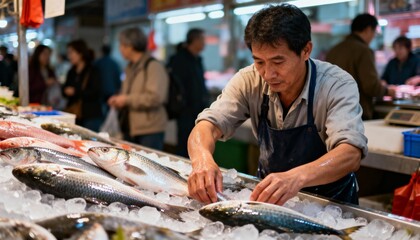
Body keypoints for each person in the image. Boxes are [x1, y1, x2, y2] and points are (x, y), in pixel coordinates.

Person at [187, 4, 367, 206]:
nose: (268, 74)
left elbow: (351, 153)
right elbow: (207, 125)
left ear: (306, 50)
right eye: (259, 62)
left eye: (278, 61)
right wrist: (202, 160)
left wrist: (296, 178)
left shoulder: (337, 84)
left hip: (332, 203)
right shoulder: (249, 80)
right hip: (271, 199)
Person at [108, 27, 169, 150]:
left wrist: (126, 100)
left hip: (149, 130)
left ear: (130, 46)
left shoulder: (153, 66)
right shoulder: (130, 67)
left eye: (122, 45)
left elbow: (155, 98)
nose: (120, 49)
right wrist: (119, 99)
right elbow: (130, 92)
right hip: (131, 127)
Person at [326, 14, 395, 120]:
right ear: (368, 29)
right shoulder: (363, 50)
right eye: (374, 33)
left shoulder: (334, 50)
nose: (373, 37)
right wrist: (387, 91)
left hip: (331, 110)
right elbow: (370, 86)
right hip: (356, 112)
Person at [167, 28, 209, 157]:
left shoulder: (198, 59)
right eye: (202, 39)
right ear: (194, 40)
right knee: (185, 144)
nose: (204, 43)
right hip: (185, 111)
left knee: (199, 143)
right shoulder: (179, 59)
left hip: (199, 110)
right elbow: (175, 86)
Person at [63, 39, 102, 131]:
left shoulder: (93, 70)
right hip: (74, 114)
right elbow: (64, 88)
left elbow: (96, 92)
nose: (69, 56)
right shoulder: (71, 71)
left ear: (80, 53)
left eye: (71, 53)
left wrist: (75, 92)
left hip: (90, 115)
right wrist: (65, 91)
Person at [94, 45, 121, 122]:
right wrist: (117, 89)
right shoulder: (114, 63)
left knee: (101, 112)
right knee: (110, 111)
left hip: (100, 91)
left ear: (101, 51)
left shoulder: (98, 63)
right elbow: (117, 78)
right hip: (111, 91)